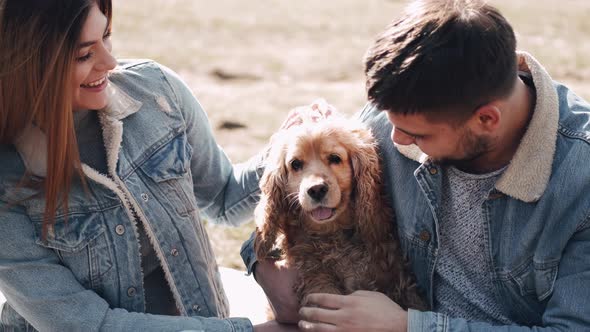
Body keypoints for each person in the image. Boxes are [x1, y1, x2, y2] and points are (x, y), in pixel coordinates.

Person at [241, 0, 590, 331]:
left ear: (486, 119)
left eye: (417, 135)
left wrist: (406, 326)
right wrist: (265, 268)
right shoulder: (405, 110)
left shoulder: (580, 180)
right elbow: (291, 208)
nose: (394, 141)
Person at [0, 1, 296, 331]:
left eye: (107, 36)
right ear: (30, 64)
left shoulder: (158, 90)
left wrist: (291, 152)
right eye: (85, 55)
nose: (110, 62)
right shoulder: (6, 179)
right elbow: (87, 324)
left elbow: (224, 198)